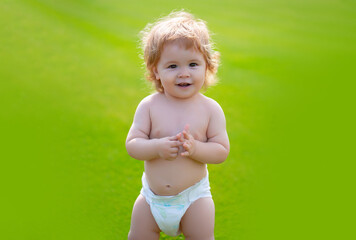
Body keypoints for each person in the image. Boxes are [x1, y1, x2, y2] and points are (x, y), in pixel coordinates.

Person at [126, 10, 230, 240]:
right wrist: (157, 147)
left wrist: (196, 149)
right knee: (138, 235)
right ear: (156, 71)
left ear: (208, 66)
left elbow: (221, 151)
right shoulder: (150, 105)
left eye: (193, 64)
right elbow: (133, 144)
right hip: (152, 198)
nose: (184, 74)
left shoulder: (210, 109)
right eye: (172, 66)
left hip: (193, 198)